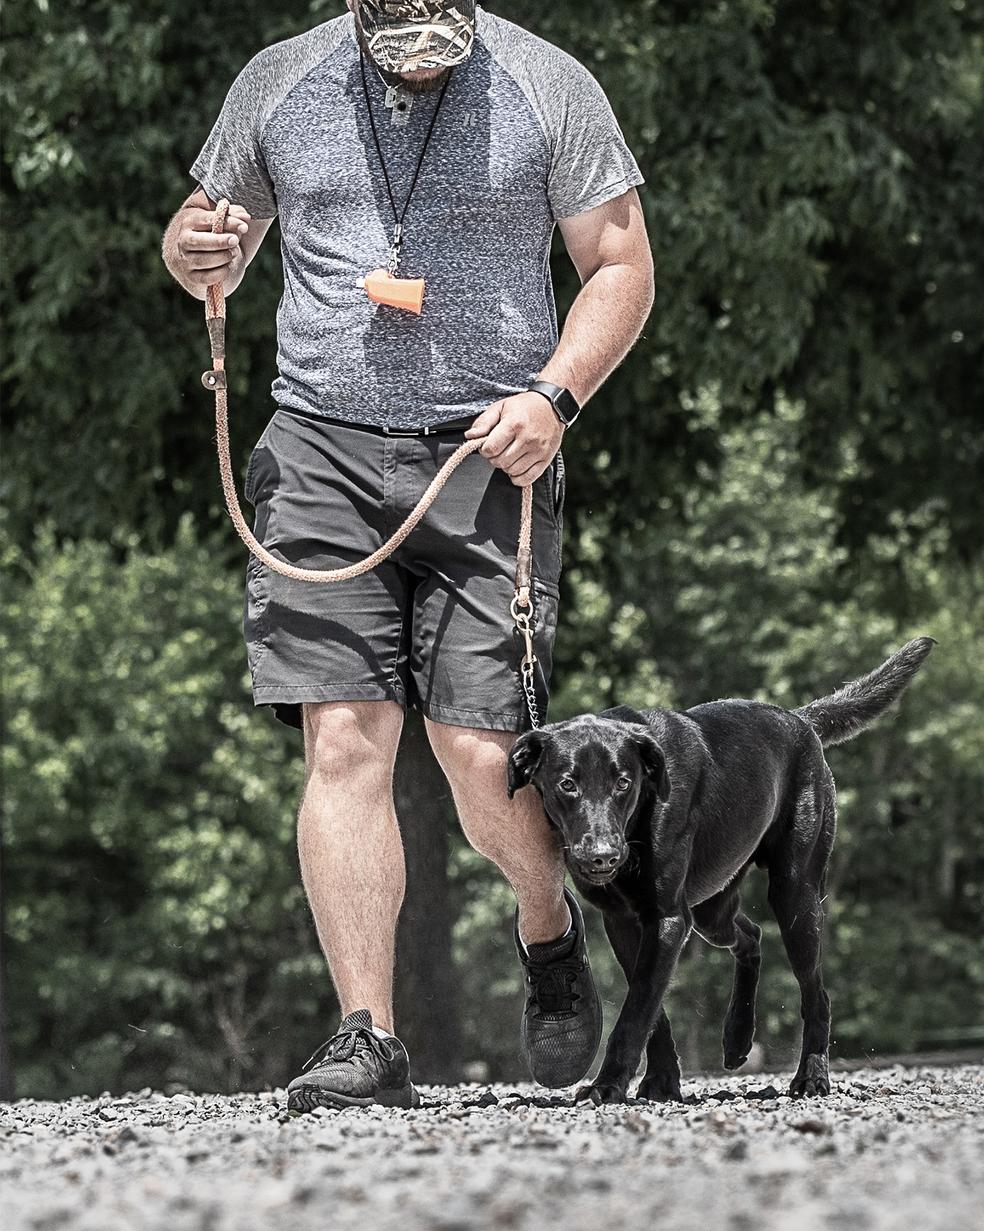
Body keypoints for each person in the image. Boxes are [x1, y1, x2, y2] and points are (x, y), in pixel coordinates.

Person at [161, 0, 653, 1113]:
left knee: (482, 760)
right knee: (342, 740)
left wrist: (555, 397)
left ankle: (546, 924)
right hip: (320, 451)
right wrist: (194, 249)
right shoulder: (279, 80)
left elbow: (619, 263)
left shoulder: (547, 83)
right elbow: (207, 236)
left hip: (489, 453)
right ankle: (366, 1035)